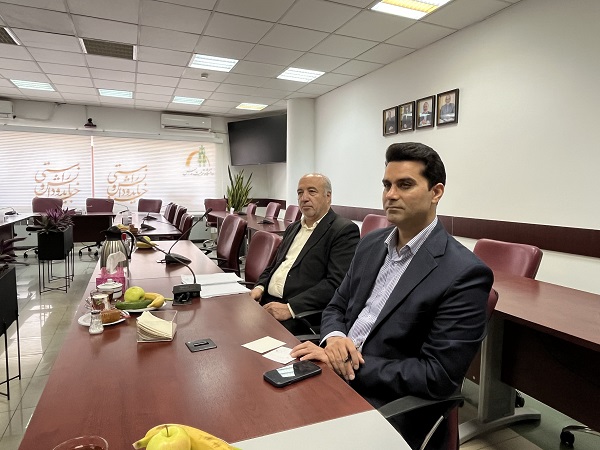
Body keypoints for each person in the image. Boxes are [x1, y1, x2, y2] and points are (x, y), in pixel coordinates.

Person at [291, 143, 493, 449]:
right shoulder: (370, 244)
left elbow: (437, 375)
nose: (390, 195)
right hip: (330, 374)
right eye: (387, 185)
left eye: (405, 185)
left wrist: (346, 363)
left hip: (386, 403)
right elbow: (336, 305)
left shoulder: (464, 273)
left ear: (436, 192)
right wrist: (334, 338)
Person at [250, 173, 360, 334]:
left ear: (328, 196)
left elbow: (336, 283)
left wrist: (290, 308)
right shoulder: (293, 228)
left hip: (300, 314)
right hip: (266, 302)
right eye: (300, 192)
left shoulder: (343, 230)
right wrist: (259, 287)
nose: (304, 198)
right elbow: (273, 266)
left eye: (312, 191)